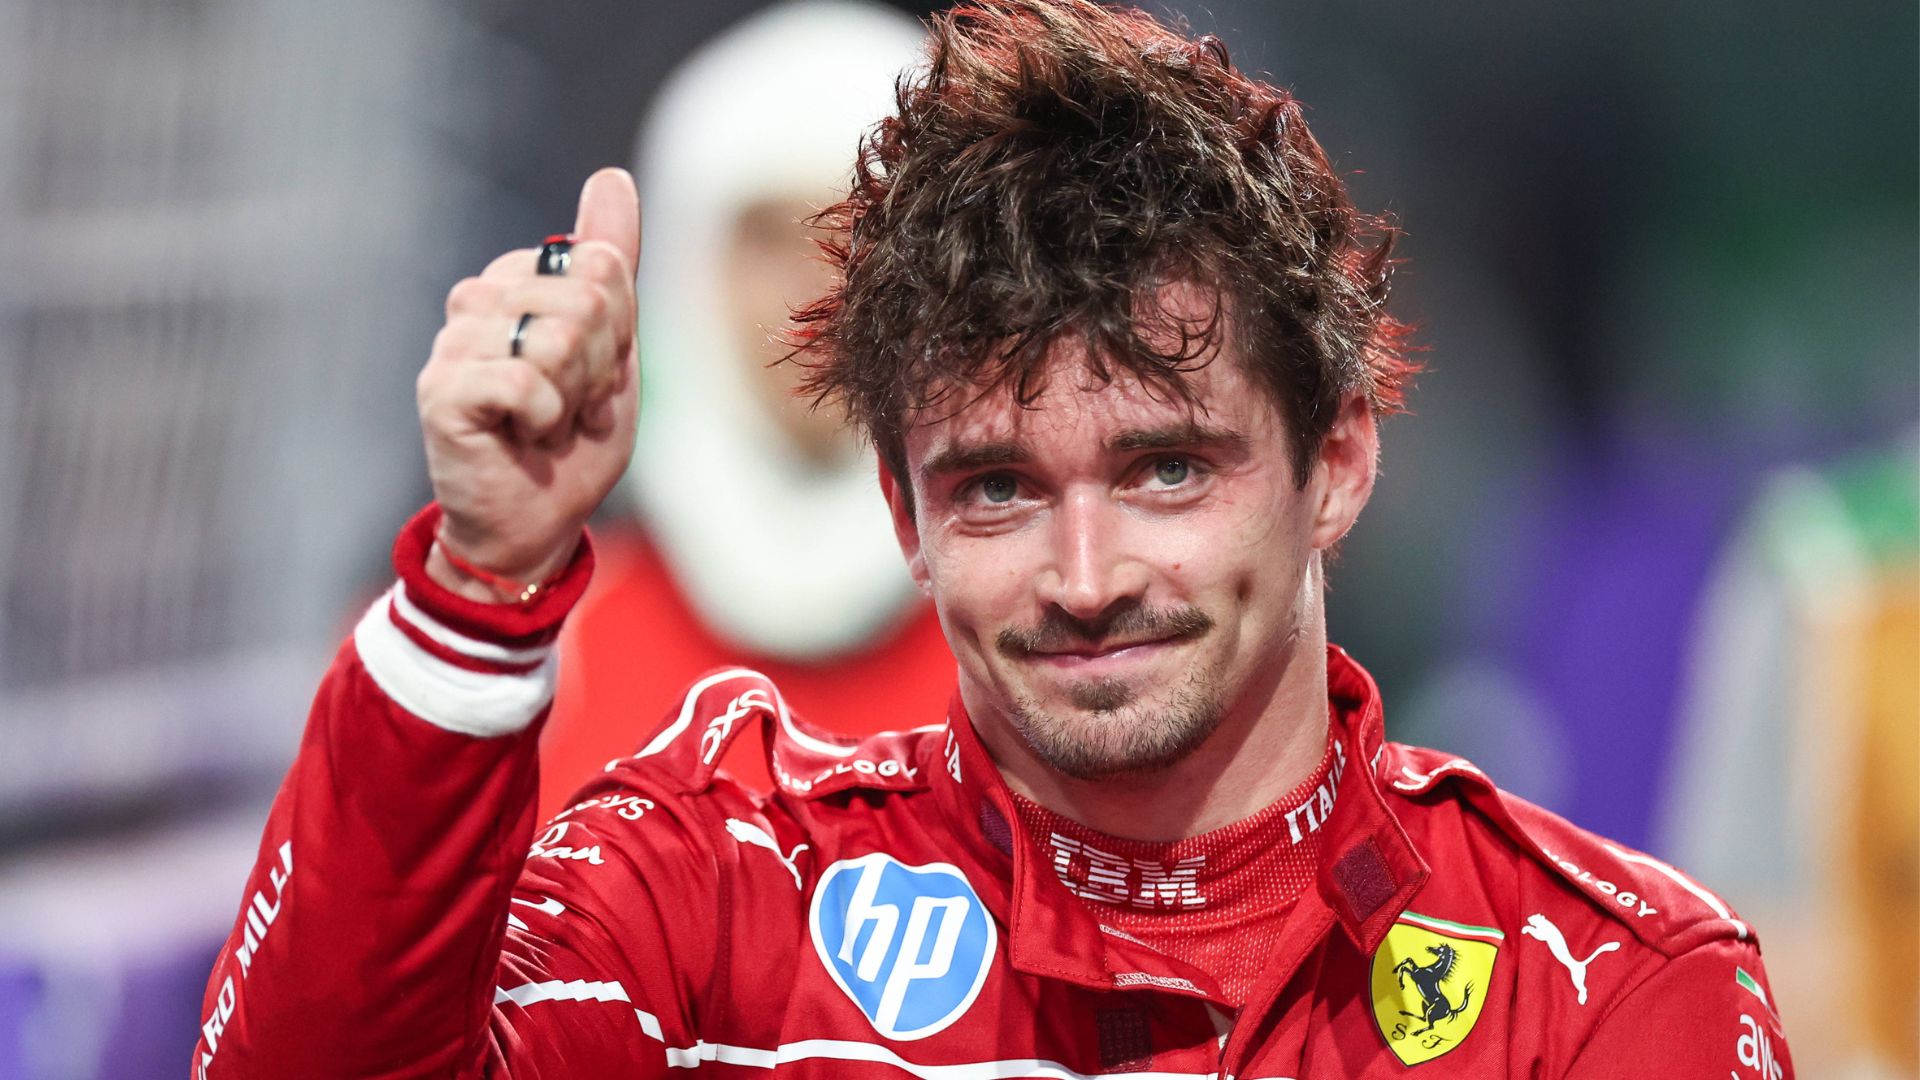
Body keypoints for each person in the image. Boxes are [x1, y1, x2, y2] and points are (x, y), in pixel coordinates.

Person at [193, 2, 1794, 1076]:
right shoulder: (708, 885)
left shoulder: (1601, 992)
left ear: (1339, 464)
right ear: (902, 509)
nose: (1086, 578)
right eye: (997, 490)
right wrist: (484, 586)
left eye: (1167, 471)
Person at [537, 0, 953, 813]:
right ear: (685, 268)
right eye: (768, 239)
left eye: (862, 236)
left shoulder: (1063, 627)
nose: (813, 289)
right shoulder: (528, 631)